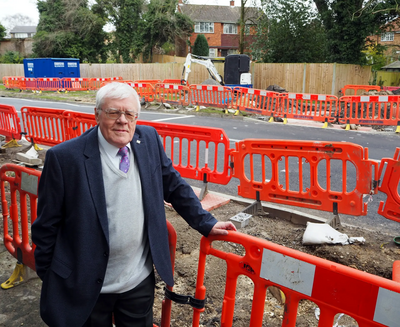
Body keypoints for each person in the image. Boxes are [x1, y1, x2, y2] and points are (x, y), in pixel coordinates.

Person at [31, 82, 237, 327]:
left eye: (129, 113)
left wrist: (206, 223)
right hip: (84, 285)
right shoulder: (65, 159)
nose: (122, 120)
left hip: (137, 281)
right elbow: (46, 226)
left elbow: (173, 184)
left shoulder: (147, 139)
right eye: (113, 112)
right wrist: (53, 277)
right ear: (96, 114)